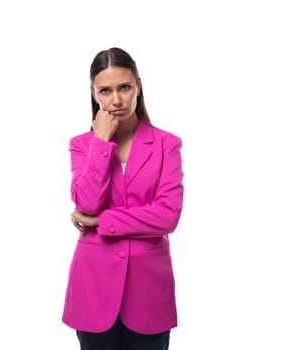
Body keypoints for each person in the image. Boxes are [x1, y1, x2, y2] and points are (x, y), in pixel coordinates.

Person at [62, 47, 184, 350]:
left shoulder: (167, 144)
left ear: (138, 87)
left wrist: (102, 221)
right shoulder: (82, 145)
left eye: (124, 87)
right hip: (93, 287)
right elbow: (87, 203)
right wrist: (101, 142)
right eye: (105, 90)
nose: (116, 99)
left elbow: (167, 216)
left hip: (149, 291)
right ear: (94, 95)